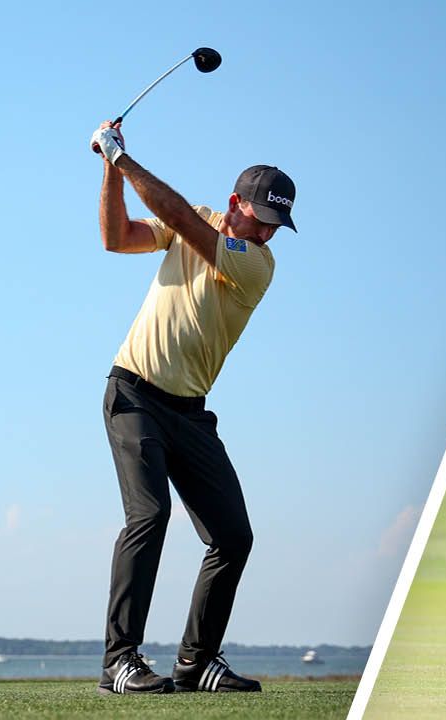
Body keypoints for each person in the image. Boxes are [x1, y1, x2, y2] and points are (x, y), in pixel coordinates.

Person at [90, 122, 297, 694]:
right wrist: (110, 168)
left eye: (277, 226)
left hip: (189, 414)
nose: (268, 234)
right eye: (262, 220)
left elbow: (180, 218)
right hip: (133, 395)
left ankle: (196, 660)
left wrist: (123, 158)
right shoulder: (198, 218)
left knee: (233, 535)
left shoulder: (256, 265)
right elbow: (118, 237)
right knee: (149, 516)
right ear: (236, 203)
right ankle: (119, 660)